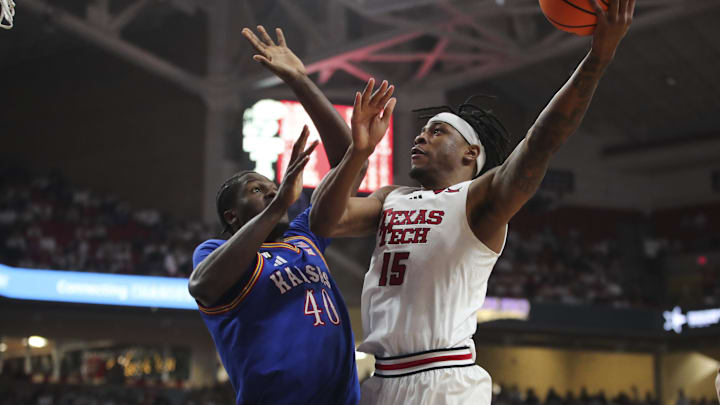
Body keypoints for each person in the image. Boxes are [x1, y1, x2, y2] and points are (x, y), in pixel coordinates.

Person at [309, 0, 635, 403]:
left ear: (470, 154)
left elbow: (542, 140)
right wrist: (358, 152)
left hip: (444, 380)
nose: (420, 136)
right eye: (423, 131)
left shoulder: (481, 199)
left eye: (438, 131)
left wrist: (598, 59)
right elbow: (324, 222)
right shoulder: (392, 198)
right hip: (380, 380)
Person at [188, 26, 367, 405]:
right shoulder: (214, 252)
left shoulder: (306, 235)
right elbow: (201, 285)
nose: (271, 188)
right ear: (232, 216)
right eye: (258, 190)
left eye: (272, 185)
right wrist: (278, 204)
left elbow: (351, 161)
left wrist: (300, 81)